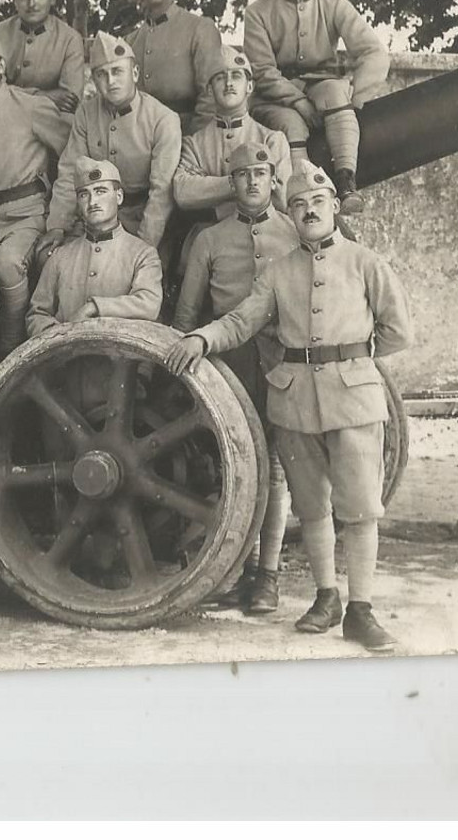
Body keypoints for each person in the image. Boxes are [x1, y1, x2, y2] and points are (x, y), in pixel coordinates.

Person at [165, 166, 412, 652]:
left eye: (318, 201)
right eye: (298, 205)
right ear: (291, 214)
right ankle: (326, 599)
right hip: (295, 400)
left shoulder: (366, 263)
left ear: (334, 206)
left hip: (355, 402)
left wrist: (351, 362)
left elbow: (397, 331)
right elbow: (241, 321)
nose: (310, 210)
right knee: (312, 508)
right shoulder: (277, 273)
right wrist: (201, 336)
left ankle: (362, 609)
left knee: (360, 510)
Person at [172, 142, 300, 614]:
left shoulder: (293, 231)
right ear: (231, 182)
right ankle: (237, 570)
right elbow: (188, 312)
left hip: (283, 358)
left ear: (272, 179)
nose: (251, 182)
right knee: (237, 465)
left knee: (278, 467)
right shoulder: (209, 239)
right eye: (242, 174)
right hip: (229, 360)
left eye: (259, 174)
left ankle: (268, 575)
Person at [242, 0, 392, 214]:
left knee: (336, 93)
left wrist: (354, 94)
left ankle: (347, 182)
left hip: (322, 90)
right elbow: (261, 70)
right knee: (292, 124)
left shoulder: (333, 3)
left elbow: (374, 53)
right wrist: (298, 101)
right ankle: (300, 194)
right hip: (275, 98)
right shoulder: (258, 12)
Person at [0, 22, 70, 352]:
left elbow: (71, 156)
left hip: (29, 215)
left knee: (6, 262)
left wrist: (62, 217)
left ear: (1, 67)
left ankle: (13, 346)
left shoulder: (30, 107)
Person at [41, 31, 180, 255]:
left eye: (117, 71)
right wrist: (57, 225)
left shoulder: (163, 119)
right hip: (92, 217)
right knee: (56, 260)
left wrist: (143, 246)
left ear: (134, 73)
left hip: (141, 219)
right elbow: (69, 171)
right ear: (94, 80)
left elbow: (161, 193)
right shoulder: (86, 113)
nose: (110, 81)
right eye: (101, 75)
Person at [26, 157, 163, 335]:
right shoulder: (61, 256)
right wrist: (61, 336)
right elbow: (36, 315)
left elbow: (149, 304)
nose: (92, 202)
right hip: (68, 359)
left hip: (119, 360)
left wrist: (95, 308)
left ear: (119, 196)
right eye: (84, 195)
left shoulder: (142, 254)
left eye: (100, 191)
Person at [173, 46, 292, 221]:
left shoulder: (272, 140)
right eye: (220, 78)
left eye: (236, 76)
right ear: (210, 90)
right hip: (210, 234)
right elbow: (183, 194)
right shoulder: (194, 144)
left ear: (249, 86)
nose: (229, 83)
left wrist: (215, 207)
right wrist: (242, 183)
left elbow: (281, 199)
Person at [125, 0, 223, 130]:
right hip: (139, 136)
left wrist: (193, 144)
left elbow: (211, 99)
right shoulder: (129, 42)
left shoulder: (200, 28)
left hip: (187, 134)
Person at [0, 0, 85, 113]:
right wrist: (43, 96)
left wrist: (11, 94)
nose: (31, 4)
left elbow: (69, 101)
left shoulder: (69, 39)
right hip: (2, 123)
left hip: (50, 127)